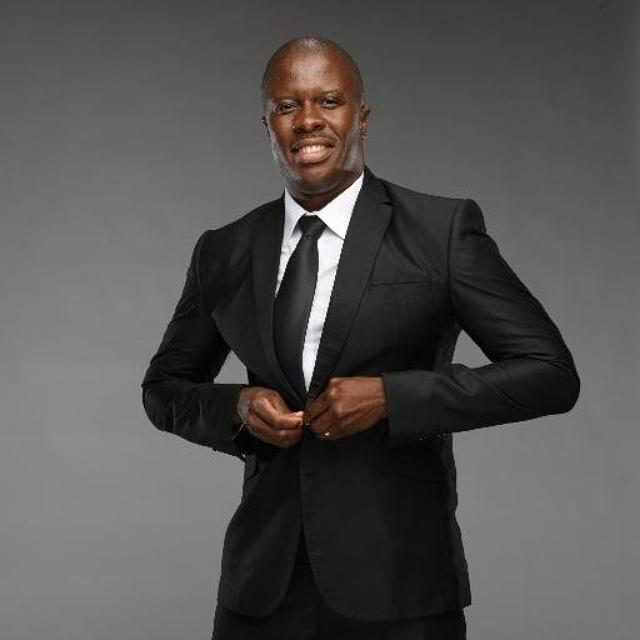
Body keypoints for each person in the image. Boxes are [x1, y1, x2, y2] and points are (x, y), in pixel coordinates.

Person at [141, 36, 580, 640]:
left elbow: (549, 372)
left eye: (329, 101)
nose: (308, 120)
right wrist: (235, 408)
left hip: (400, 583)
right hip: (262, 586)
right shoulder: (224, 249)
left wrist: (391, 398)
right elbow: (163, 389)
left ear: (362, 117)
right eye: (287, 106)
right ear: (268, 125)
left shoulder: (439, 232)